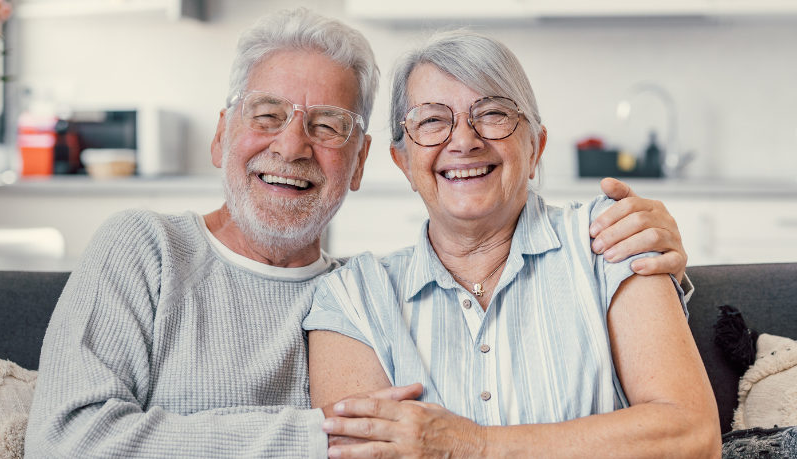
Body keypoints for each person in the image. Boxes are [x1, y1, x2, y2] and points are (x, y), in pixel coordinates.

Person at [25, 9, 693, 459]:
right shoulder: (150, 249)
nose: (292, 146)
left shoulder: (350, 297)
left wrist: (660, 264)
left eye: (327, 125)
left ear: (364, 160)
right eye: (268, 115)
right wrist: (316, 436)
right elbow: (64, 441)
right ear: (223, 134)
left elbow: (687, 430)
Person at [305, 30, 720, 459]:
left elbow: (691, 436)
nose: (464, 141)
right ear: (404, 162)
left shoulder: (610, 237)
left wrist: (474, 446)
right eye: (431, 121)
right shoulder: (353, 299)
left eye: (492, 114)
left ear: (535, 147)